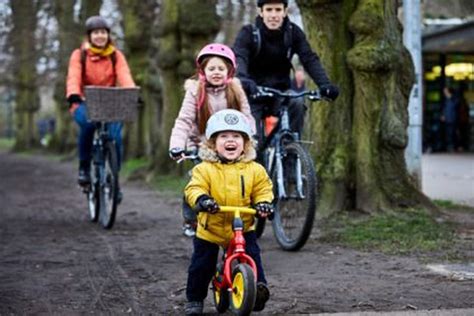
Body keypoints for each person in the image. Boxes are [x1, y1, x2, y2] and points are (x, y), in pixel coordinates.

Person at [183, 109, 274, 315]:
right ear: (213, 143)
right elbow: (194, 188)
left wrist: (264, 204)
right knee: (202, 265)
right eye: (224, 136)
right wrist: (202, 200)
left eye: (236, 137)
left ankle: (257, 288)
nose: (230, 141)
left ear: (245, 143)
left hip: (243, 227)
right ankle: (195, 299)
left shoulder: (254, 169)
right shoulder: (204, 169)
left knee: (252, 256)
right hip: (211, 229)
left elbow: (263, 189)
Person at [168, 43, 256, 237]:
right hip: (202, 143)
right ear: (203, 71)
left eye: (221, 68)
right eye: (211, 68)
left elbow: (247, 116)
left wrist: (250, 140)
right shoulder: (195, 91)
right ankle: (191, 219)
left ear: (229, 71)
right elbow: (184, 120)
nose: (216, 72)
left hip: (231, 143)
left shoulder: (235, 89)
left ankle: (243, 218)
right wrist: (176, 146)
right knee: (197, 180)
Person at [233, 0, 339, 154]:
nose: (274, 15)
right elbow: (239, 56)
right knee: (253, 143)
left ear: (285, 12)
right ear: (261, 12)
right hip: (253, 92)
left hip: (280, 91)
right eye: (269, 10)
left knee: (296, 103)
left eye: (278, 10)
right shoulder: (249, 33)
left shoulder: (293, 32)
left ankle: (290, 164)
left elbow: (308, 58)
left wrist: (324, 84)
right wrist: (242, 79)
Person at [66, 15, 136, 199]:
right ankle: (84, 168)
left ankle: (114, 179)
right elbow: (74, 76)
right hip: (83, 100)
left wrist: (131, 93)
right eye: (96, 33)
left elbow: (124, 75)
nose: (100, 36)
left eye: (103, 32)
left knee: (115, 138)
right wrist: (73, 93)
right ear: (89, 36)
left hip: (110, 102)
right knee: (88, 125)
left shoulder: (115, 55)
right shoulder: (79, 55)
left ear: (108, 35)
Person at [441, 87, 458, 152]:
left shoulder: (454, 99)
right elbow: (444, 109)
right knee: (447, 134)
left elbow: (456, 107)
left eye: (445, 91)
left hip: (452, 119)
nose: (444, 92)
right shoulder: (445, 100)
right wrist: (443, 115)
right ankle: (449, 147)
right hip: (447, 119)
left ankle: (453, 147)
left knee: (452, 133)